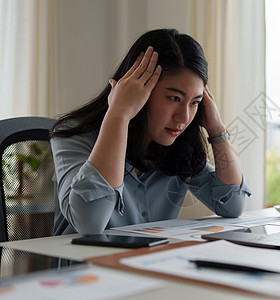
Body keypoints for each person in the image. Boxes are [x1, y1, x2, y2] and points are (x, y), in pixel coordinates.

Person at [50, 28, 251, 235]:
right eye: (174, 98)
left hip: (148, 264)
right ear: (138, 87)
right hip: (82, 265)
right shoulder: (74, 134)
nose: (183, 117)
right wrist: (119, 114)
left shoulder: (178, 147)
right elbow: (89, 224)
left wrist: (217, 129)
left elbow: (233, 205)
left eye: (195, 102)